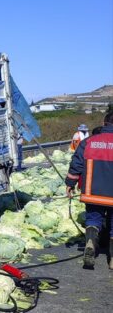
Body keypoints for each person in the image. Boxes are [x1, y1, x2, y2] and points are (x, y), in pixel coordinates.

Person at [66, 113, 113, 269]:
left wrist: (70, 183)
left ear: (104, 123)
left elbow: (76, 164)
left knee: (93, 219)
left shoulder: (88, 142)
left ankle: (91, 242)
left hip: (92, 192)